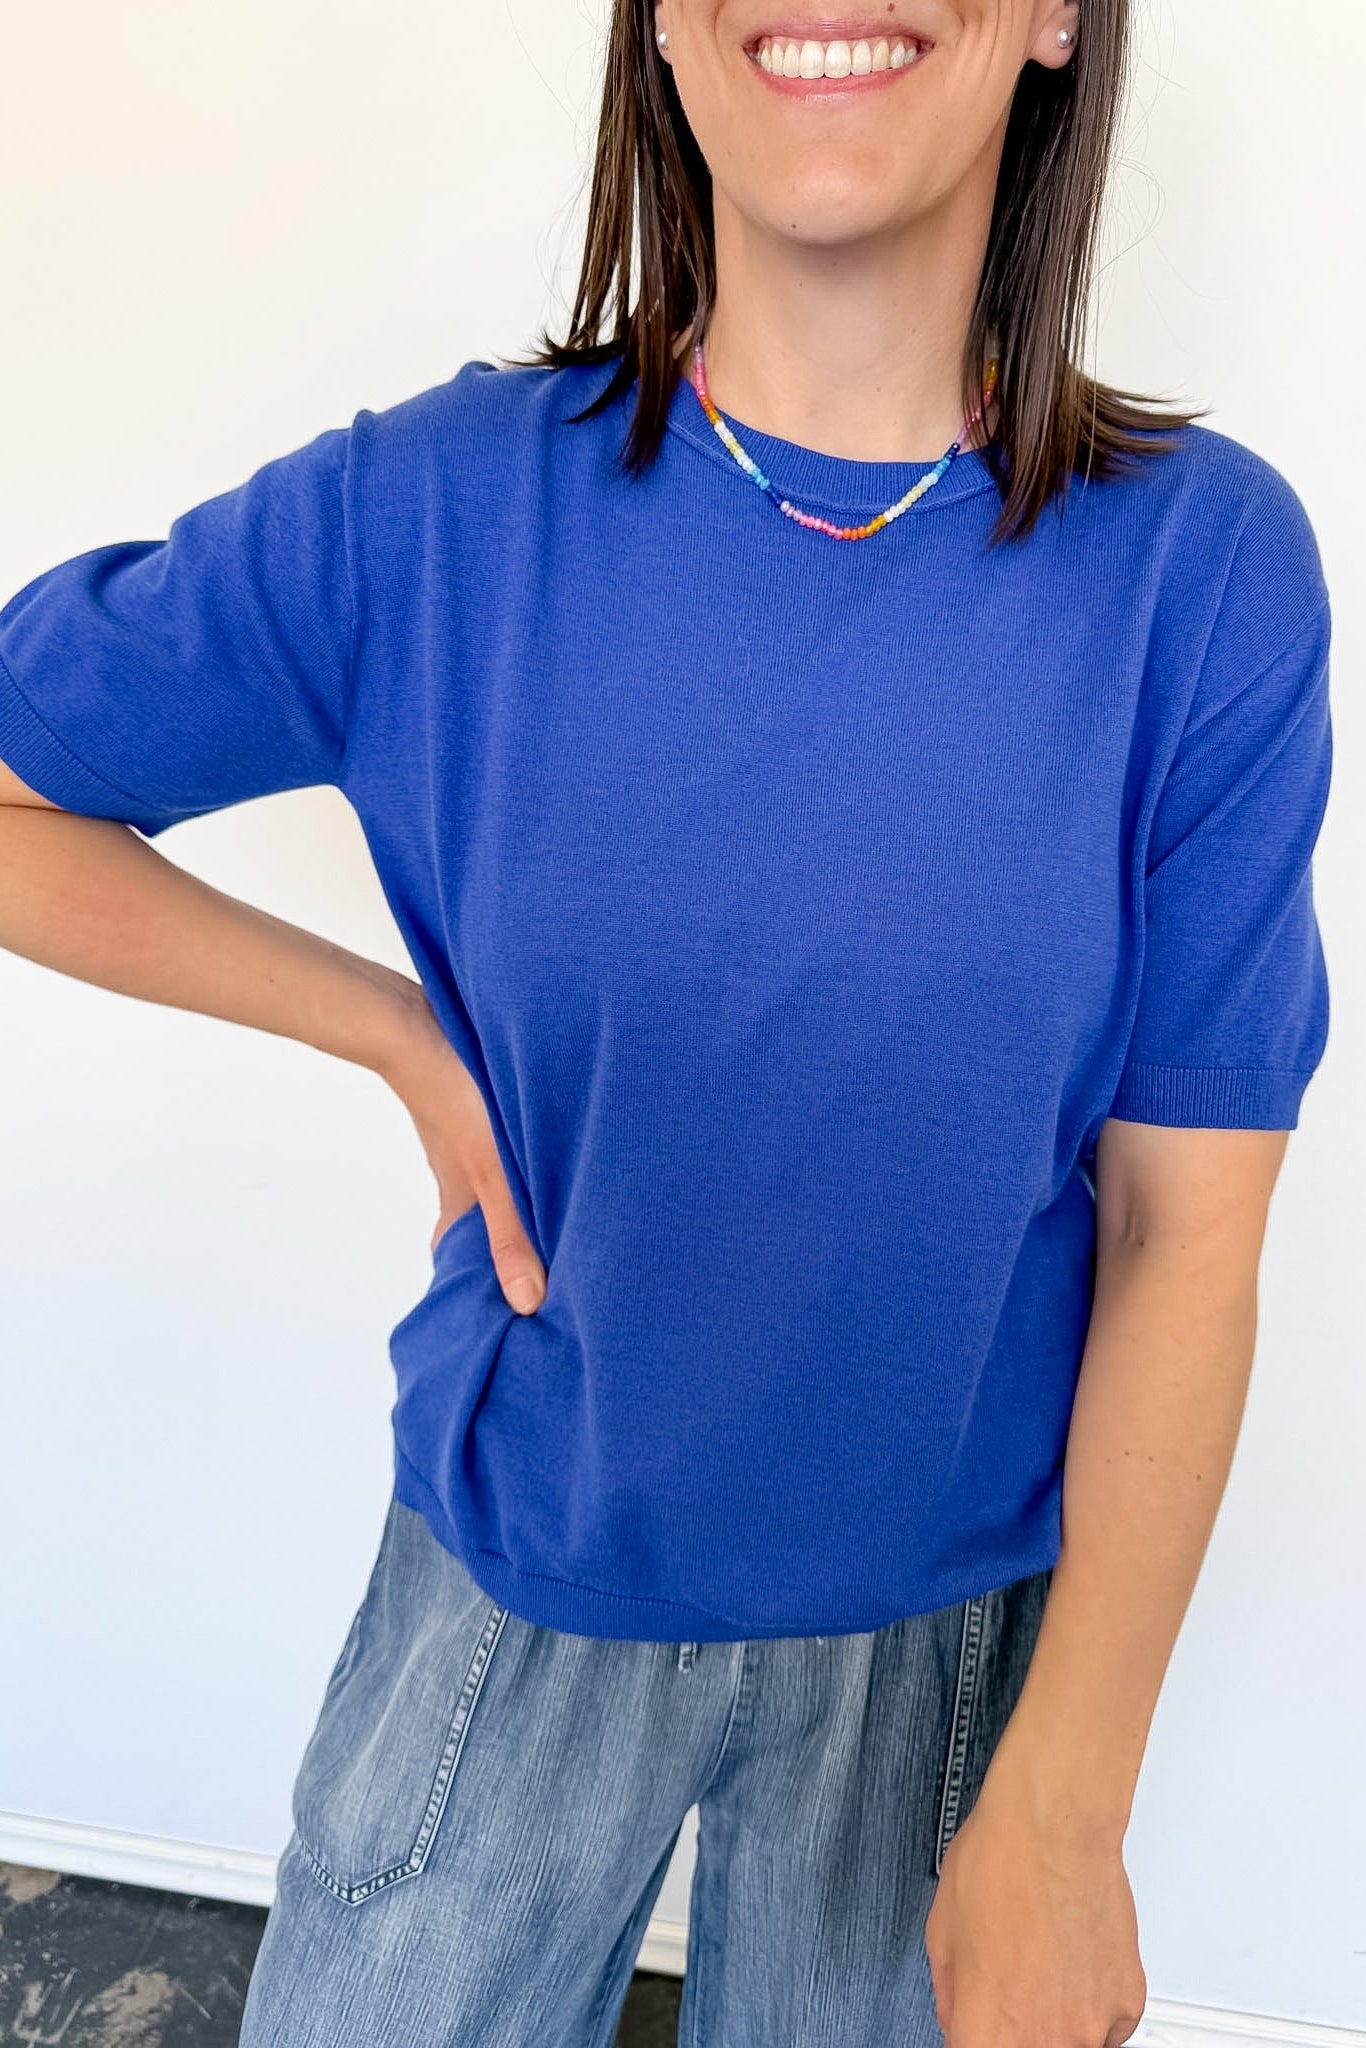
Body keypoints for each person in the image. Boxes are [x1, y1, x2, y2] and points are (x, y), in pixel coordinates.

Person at [0, 0, 1333, 2041]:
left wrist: (1063, 1804)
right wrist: (388, 1027)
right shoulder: (429, 514)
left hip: (956, 1649)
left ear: (1056, 14)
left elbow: (1184, 1228)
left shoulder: (1197, 572)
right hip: (511, 1592)